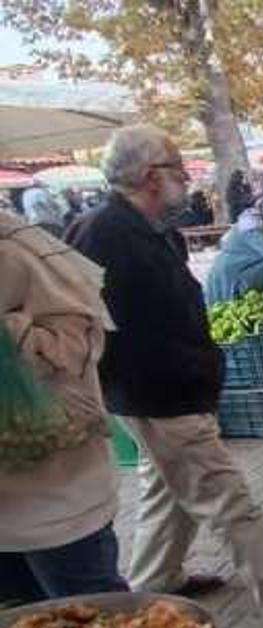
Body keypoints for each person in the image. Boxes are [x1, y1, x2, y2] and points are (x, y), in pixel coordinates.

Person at [66, 125, 263, 611]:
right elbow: (81, 324)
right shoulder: (102, 234)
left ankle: (156, 580)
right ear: (151, 175)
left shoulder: (149, 228)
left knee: (165, 490)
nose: (187, 179)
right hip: (159, 394)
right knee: (228, 501)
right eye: (178, 168)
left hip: (169, 389)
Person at [0, 215, 130, 604]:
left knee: (95, 620)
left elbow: (81, 340)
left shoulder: (17, 253)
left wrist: (12, 336)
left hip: (56, 504)